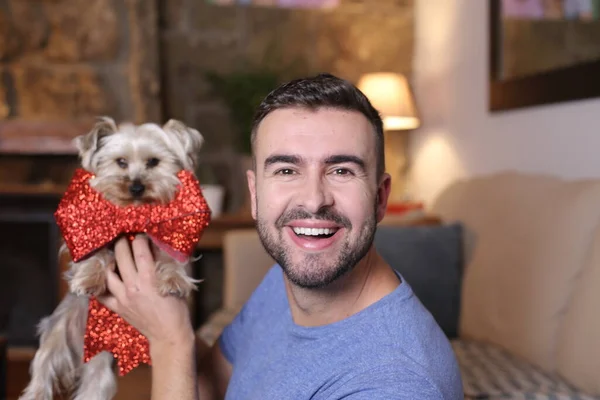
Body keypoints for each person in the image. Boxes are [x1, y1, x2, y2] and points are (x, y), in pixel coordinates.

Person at [99, 73, 464, 399]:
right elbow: (216, 382)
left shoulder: (395, 383)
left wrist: (170, 343)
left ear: (381, 198)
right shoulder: (289, 277)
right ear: (255, 194)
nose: (313, 199)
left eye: (341, 170)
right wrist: (163, 318)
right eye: (287, 169)